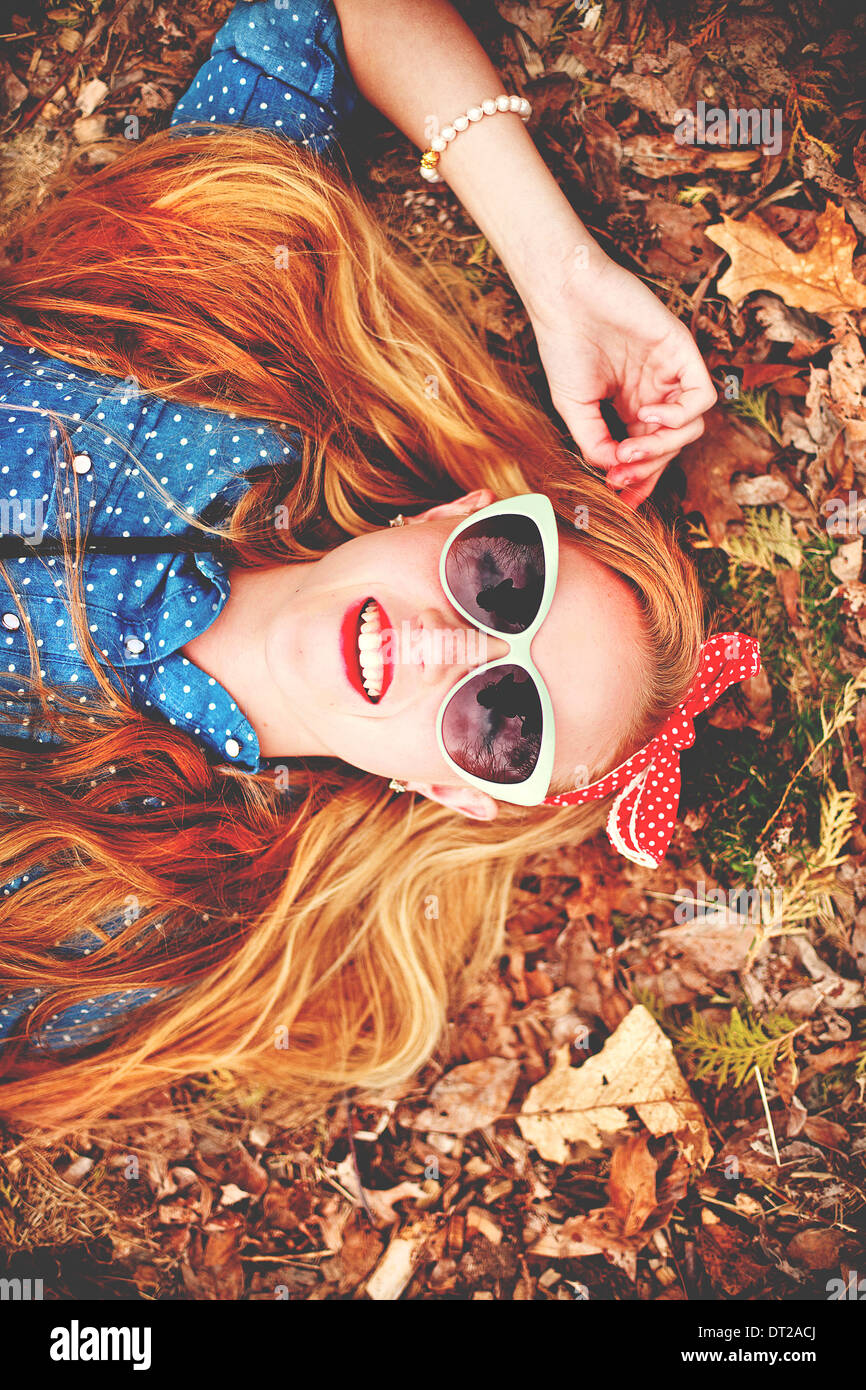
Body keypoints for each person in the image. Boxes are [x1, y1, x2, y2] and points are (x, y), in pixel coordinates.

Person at [0, 0, 746, 1133]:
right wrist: (559, 269)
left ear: (453, 790)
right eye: (502, 578)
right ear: (456, 513)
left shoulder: (135, 913)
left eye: (504, 718)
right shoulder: (224, 349)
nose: (458, 645)